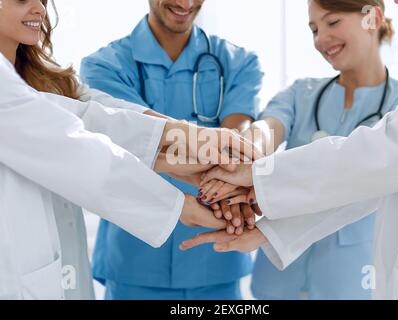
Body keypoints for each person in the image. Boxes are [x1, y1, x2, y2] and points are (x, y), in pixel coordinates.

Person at [181, 0, 398, 300]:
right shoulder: (302, 92)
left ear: (373, 18)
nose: (320, 39)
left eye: (332, 23)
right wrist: (239, 159)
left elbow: (376, 162)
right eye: (314, 29)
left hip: (349, 280)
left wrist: (252, 174)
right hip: (280, 280)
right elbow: (268, 130)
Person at [0, 0, 254, 300]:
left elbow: (97, 114)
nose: (39, 9)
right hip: (36, 263)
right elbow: (76, 148)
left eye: (42, 0)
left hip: (64, 262)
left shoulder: (51, 80)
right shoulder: (105, 62)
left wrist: (190, 145)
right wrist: (180, 205)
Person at [80, 0, 263, 300]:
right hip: (135, 258)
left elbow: (236, 138)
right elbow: (125, 134)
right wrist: (228, 174)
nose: (185, 2)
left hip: (216, 259)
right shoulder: (104, 66)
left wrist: (230, 166)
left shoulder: (238, 62)